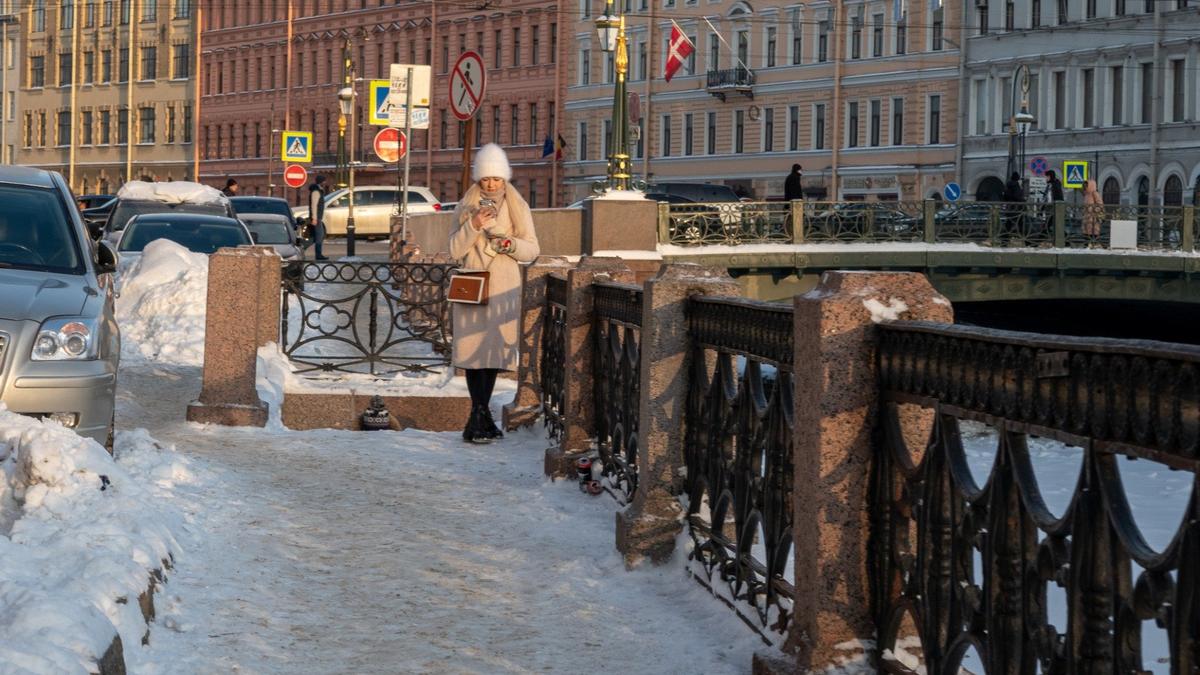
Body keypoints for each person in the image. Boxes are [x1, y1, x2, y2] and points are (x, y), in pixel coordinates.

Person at [449, 143, 540, 444]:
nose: (491, 185)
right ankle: (480, 417)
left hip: (502, 286)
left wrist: (508, 244)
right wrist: (474, 226)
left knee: (491, 356)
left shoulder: (518, 207)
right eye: (486, 179)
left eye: (497, 179)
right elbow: (453, 250)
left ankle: (478, 418)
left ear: (505, 179)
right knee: (474, 356)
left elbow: (532, 250)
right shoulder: (465, 206)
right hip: (474, 286)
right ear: (478, 179)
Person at [308, 175, 329, 260]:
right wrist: (314, 218)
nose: (325, 182)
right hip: (317, 218)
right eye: (324, 181)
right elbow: (314, 205)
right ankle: (318, 255)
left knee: (317, 236)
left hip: (318, 217)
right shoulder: (316, 192)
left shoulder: (319, 190)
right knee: (319, 236)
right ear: (321, 182)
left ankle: (318, 254)